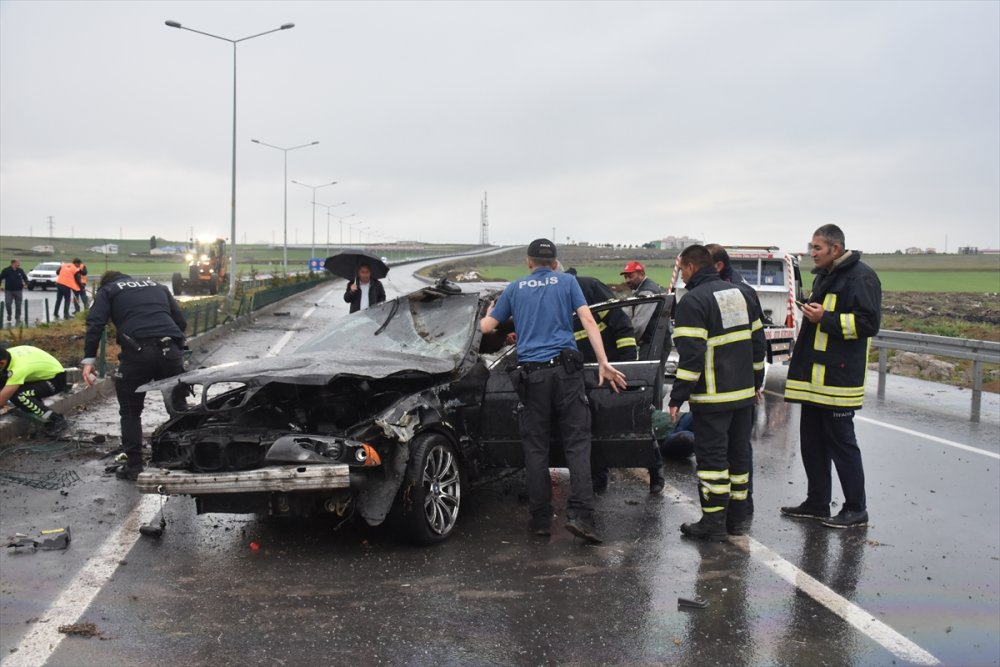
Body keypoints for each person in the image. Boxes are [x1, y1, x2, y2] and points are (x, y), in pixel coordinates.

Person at [480, 239, 627, 543]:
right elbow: (587, 319)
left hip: (532, 377)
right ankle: (581, 516)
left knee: (536, 449)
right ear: (555, 261)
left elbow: (484, 329)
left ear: (528, 262)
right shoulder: (567, 282)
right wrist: (603, 362)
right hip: (566, 373)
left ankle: (540, 521)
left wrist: (490, 311)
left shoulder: (515, 288)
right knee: (577, 444)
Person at [782, 224, 881, 529]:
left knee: (842, 445)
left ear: (835, 249)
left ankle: (856, 509)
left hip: (837, 382)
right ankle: (817, 503)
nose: (811, 253)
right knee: (812, 443)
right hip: (814, 381)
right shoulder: (826, 275)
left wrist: (824, 318)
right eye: (811, 247)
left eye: (817, 248)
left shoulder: (861, 276)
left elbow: (868, 324)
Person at [668, 245, 764, 540]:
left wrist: (677, 397)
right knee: (738, 458)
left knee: (712, 461)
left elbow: (691, 357)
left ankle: (712, 522)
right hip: (744, 395)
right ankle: (738, 519)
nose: (682, 275)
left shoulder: (692, 302)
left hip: (712, 398)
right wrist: (756, 382)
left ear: (692, 268)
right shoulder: (744, 294)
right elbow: (759, 344)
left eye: (682, 269)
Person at [81, 271, 188, 481]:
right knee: (178, 406)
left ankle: (134, 466)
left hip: (138, 352)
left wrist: (88, 360)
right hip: (170, 350)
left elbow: (95, 323)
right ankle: (185, 456)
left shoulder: (108, 290)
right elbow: (180, 322)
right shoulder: (157, 285)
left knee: (130, 411)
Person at [567, 268, 665, 494]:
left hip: (613, 370)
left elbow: (621, 324)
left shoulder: (589, 287)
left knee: (634, 422)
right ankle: (598, 479)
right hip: (585, 373)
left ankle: (655, 469)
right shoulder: (561, 296)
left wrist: (628, 366)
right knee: (594, 429)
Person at [705, 244, 768, 513]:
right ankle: (742, 503)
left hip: (727, 386)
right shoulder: (742, 289)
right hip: (740, 383)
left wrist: (756, 382)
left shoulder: (733, 293)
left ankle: (736, 504)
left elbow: (749, 342)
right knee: (739, 447)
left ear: (717, 266)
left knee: (731, 448)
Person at [0, 345, 68, 435]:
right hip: (40, 374)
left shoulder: (18, 369)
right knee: (7, 384)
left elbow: (1, 400)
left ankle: (55, 419)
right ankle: (35, 408)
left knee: (19, 395)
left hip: (55, 379)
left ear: (1, 363)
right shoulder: (6, 355)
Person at [620, 260, 664, 344]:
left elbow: (638, 325)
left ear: (642, 274)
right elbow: (628, 311)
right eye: (625, 277)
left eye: (630, 276)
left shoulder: (647, 292)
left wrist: (627, 341)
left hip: (653, 343)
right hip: (654, 341)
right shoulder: (639, 290)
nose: (627, 280)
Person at [0, 259, 29, 323]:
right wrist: (0, 286)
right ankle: (9, 314)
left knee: (18, 305)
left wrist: (26, 284)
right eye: (18, 263)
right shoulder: (6, 270)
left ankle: (17, 318)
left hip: (18, 290)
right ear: (13, 263)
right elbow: (0, 278)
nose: (19, 264)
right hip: (8, 291)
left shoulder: (20, 270)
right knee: (8, 303)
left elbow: (25, 277)